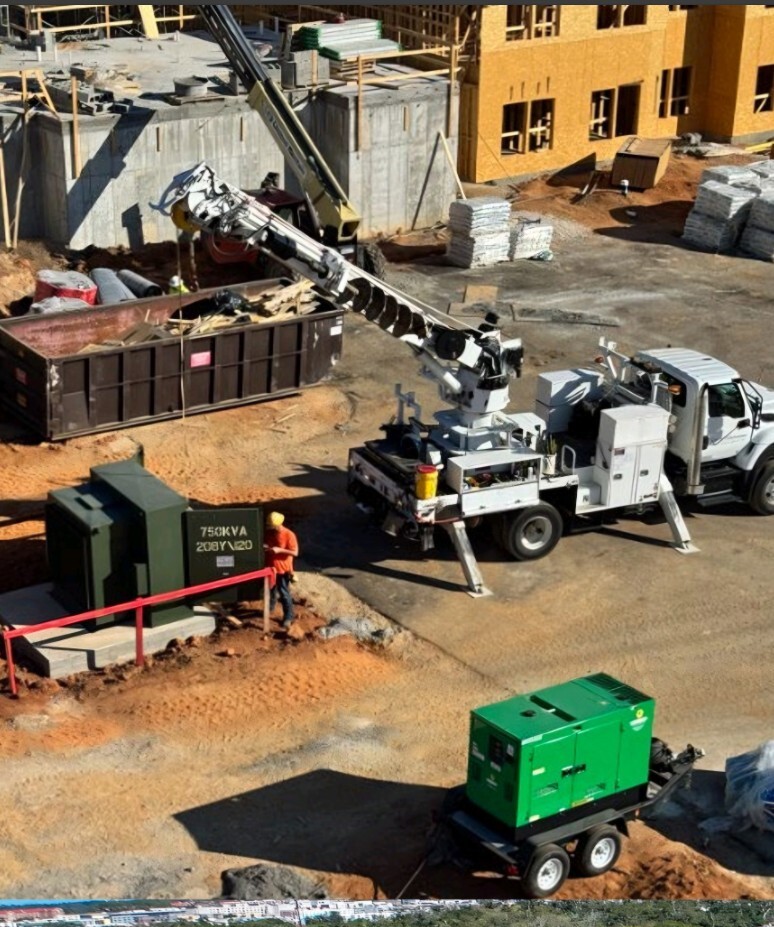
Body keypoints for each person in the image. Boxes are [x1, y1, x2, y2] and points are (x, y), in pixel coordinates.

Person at [264, 511, 298, 630]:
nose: (269, 527)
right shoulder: (270, 533)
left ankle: (288, 617)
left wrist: (279, 550)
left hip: (283, 570)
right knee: (271, 590)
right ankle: (270, 608)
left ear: (277, 525)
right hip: (270, 569)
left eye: (270, 525)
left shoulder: (289, 535)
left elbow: (295, 552)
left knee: (284, 593)